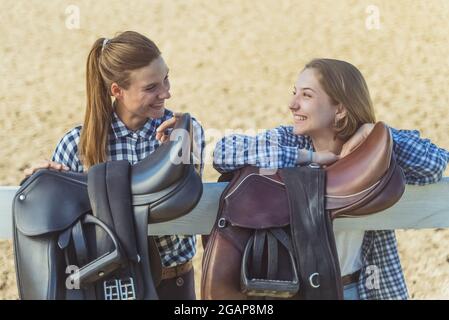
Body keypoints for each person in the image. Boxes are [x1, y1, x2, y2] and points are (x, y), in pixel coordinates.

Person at [213, 58, 449, 300]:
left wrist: (377, 133)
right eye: (295, 93)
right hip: (298, 291)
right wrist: (308, 156)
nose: (292, 104)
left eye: (306, 95)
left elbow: (434, 164)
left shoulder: (372, 154)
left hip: (363, 290)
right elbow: (224, 152)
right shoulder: (291, 140)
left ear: (340, 108)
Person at [24, 31, 205, 300]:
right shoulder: (76, 144)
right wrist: (41, 182)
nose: (166, 92)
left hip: (173, 281)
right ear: (117, 91)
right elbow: (58, 221)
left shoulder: (183, 132)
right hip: (105, 284)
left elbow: (186, 198)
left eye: (166, 78)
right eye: (151, 87)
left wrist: (181, 148)